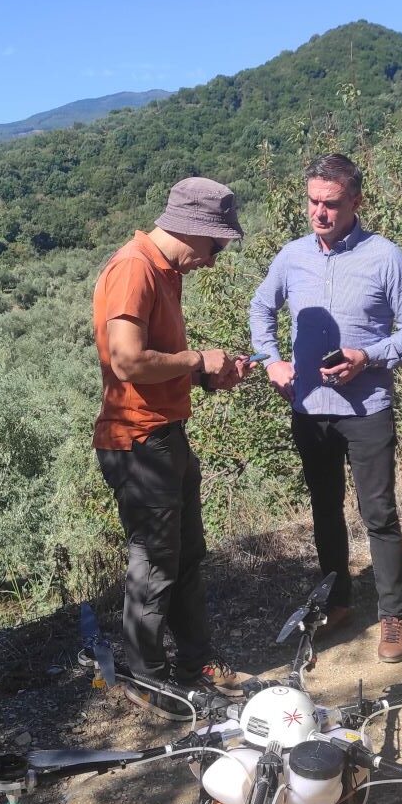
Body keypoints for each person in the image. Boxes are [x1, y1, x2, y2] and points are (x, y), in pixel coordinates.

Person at [250, 153, 402, 662]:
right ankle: (338, 605)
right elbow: (261, 307)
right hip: (310, 410)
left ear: (356, 201)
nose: (319, 212)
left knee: (379, 513)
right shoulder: (291, 257)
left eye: (330, 203)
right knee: (325, 511)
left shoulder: (385, 256)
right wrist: (271, 361)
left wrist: (367, 357)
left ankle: (392, 617)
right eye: (312, 201)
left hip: (367, 408)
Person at [92, 176, 249, 715]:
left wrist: (207, 376)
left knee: (185, 558)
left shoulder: (164, 271)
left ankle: (196, 662)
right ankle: (147, 681)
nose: (214, 258)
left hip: (165, 434)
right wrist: (198, 359)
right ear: (190, 228)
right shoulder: (134, 268)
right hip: (138, 443)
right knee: (155, 565)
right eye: (215, 244)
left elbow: (155, 364)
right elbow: (126, 360)